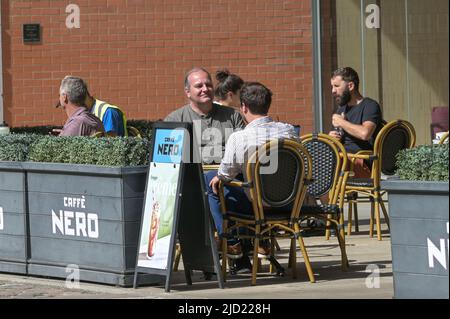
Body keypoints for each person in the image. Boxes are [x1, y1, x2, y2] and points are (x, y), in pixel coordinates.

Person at [206, 82, 299, 271]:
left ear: (244, 107)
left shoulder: (239, 138)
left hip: (255, 206)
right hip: (288, 203)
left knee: (210, 179)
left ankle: (231, 242)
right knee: (249, 181)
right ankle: (262, 241)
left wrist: (219, 177)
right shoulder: (289, 131)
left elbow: (224, 174)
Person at [165, 67, 245, 164]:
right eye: (199, 86)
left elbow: (243, 150)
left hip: (229, 176)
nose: (205, 89)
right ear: (188, 92)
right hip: (192, 177)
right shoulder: (175, 120)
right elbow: (168, 159)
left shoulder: (233, 116)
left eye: (208, 85)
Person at [328, 67, 383, 178]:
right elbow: (341, 138)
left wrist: (341, 122)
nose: (333, 91)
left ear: (351, 86)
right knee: (310, 157)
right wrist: (333, 138)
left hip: (362, 162)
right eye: (332, 87)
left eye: (337, 86)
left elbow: (365, 134)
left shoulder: (370, 106)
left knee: (322, 161)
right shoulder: (342, 109)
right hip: (344, 159)